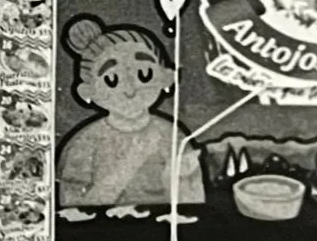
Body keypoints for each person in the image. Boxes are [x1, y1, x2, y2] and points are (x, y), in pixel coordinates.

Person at [56, 14, 205, 209]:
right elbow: (72, 206)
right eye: (112, 80)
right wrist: (132, 160)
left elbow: (191, 200)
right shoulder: (85, 143)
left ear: (165, 77)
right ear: (88, 91)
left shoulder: (172, 135)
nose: (130, 89)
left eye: (144, 74)